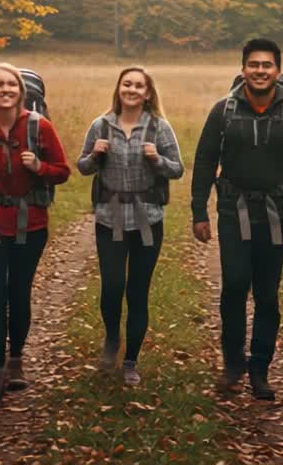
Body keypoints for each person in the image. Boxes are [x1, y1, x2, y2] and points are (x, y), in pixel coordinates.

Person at [191, 38, 283, 400]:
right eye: (253, 64)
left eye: (267, 65)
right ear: (243, 69)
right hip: (233, 210)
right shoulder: (223, 110)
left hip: (276, 214)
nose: (260, 71)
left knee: (266, 294)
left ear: (277, 70)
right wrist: (199, 210)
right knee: (234, 284)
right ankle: (233, 364)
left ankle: (259, 370)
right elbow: (204, 160)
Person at [0, 63, 70, 403]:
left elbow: (62, 172)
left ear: (21, 91)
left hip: (29, 224)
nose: (5, 90)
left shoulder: (40, 127)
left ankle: (16, 362)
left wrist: (39, 167)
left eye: (11, 85)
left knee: (18, 292)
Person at [77, 66, 183, 386]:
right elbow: (82, 167)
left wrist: (157, 160)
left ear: (148, 93)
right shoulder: (101, 125)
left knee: (138, 291)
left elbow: (177, 169)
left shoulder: (159, 128)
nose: (132, 90)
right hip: (109, 219)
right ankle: (112, 338)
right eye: (127, 84)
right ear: (119, 88)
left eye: (139, 85)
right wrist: (95, 155)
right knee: (112, 286)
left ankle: (131, 361)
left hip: (147, 219)